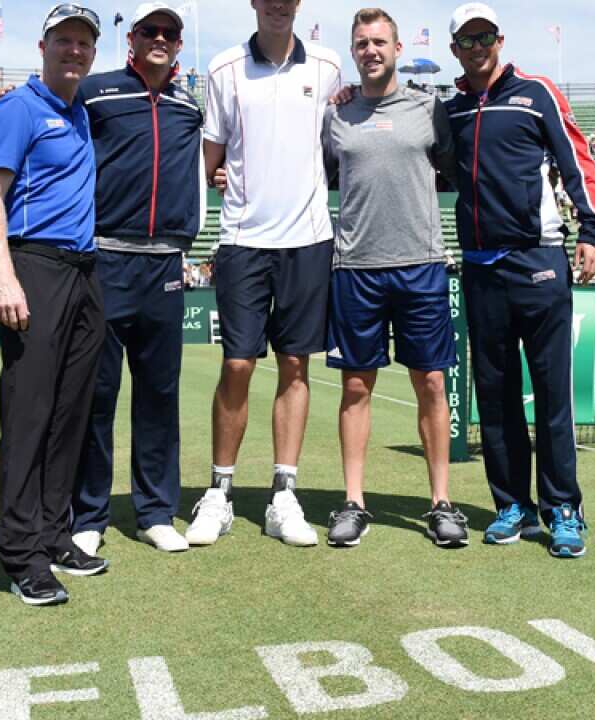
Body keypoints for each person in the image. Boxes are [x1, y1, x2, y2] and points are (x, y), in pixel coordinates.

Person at [444, 3, 595, 557]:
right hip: (480, 268)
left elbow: (576, 159)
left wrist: (593, 229)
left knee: (551, 394)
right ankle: (510, 506)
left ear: (498, 39)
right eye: (466, 41)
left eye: (484, 36)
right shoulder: (451, 112)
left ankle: (563, 507)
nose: (476, 47)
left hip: (538, 262)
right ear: (454, 51)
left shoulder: (535, 92)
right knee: (493, 397)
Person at [185, 0, 342, 549]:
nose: (278, 3)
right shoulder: (224, 68)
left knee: (296, 365)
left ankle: (283, 494)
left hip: (309, 241)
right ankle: (219, 493)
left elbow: (336, 143)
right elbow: (208, 159)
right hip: (243, 242)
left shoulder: (328, 66)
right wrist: (216, 174)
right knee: (238, 364)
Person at [316, 8, 468, 548]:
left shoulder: (429, 107)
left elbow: (457, 170)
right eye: (361, 43)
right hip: (355, 268)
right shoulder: (335, 115)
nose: (370, 50)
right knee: (356, 386)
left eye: (379, 41)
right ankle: (354, 502)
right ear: (353, 52)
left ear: (397, 49)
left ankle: (441, 503)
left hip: (421, 264)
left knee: (430, 383)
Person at [0, 2, 107, 606]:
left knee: (69, 413)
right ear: (43, 46)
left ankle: (54, 534)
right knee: (29, 414)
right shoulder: (18, 108)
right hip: (35, 266)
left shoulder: (79, 112)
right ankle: (21, 553)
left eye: (84, 42)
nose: (74, 50)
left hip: (83, 272)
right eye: (65, 41)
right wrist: (2, 276)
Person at [70, 1, 204, 557]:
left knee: (159, 394)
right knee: (96, 394)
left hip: (164, 264)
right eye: (150, 30)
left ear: (177, 45)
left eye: (169, 33)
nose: (160, 38)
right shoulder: (96, 92)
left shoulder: (187, 105)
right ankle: (89, 514)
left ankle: (154, 512)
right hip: (104, 259)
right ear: (132, 38)